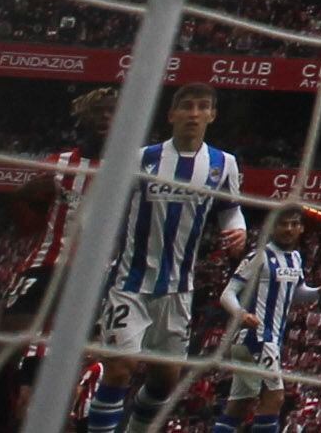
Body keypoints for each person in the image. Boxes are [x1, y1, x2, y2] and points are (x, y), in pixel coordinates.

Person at [90, 86, 247, 433]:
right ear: (171, 115)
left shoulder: (223, 165)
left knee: (165, 379)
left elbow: (231, 212)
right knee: (120, 367)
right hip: (129, 284)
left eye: (202, 107)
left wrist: (239, 231)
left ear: (211, 116)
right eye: (187, 107)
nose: (194, 113)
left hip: (178, 290)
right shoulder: (141, 158)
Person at [0, 88, 115, 433]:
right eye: (100, 113)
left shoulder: (132, 167)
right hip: (45, 264)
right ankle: (7, 418)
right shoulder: (59, 164)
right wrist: (27, 208)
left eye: (113, 113)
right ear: (84, 120)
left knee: (69, 359)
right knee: (6, 345)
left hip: (93, 274)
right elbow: (24, 204)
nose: (106, 120)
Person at [211, 205, 316, 433]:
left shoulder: (296, 259)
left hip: (266, 341)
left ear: (301, 228)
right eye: (283, 224)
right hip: (257, 337)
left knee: (238, 406)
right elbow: (227, 293)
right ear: (272, 227)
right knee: (275, 398)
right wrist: (241, 314)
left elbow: (297, 293)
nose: (288, 229)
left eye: (294, 224)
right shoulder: (259, 256)